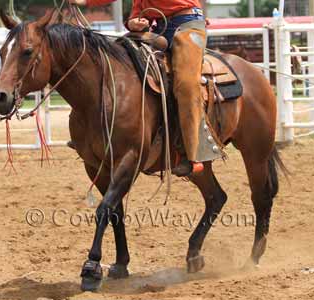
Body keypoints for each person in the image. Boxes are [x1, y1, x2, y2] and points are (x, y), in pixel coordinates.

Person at [69, 0, 222, 176]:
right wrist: (134, 22)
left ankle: (193, 153)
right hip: (159, 29)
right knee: (116, 58)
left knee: (186, 84)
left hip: (188, 24)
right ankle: (94, 133)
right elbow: (137, 13)